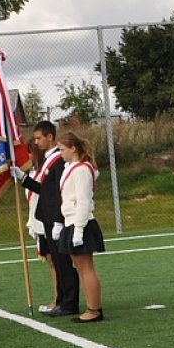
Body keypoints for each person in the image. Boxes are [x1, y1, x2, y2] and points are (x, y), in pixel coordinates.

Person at [12, 121, 80, 317]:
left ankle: (69, 303)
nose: (36, 142)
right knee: (57, 262)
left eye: (39, 138)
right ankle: (62, 300)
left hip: (56, 217)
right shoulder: (47, 160)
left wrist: (58, 219)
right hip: (47, 217)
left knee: (64, 262)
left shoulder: (58, 160)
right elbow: (45, 190)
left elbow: (59, 193)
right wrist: (23, 179)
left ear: (50, 137)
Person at [55, 132, 106, 323]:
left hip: (81, 222)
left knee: (86, 267)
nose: (60, 153)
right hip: (71, 221)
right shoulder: (71, 167)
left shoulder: (81, 170)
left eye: (62, 149)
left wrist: (78, 230)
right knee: (79, 267)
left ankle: (94, 309)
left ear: (73, 148)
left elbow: (83, 202)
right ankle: (90, 307)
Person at [26, 139, 58, 314]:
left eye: (30, 152)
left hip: (48, 221)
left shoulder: (45, 170)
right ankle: (57, 297)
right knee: (51, 262)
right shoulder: (33, 171)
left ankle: (59, 298)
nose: (28, 156)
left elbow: (42, 190)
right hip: (38, 222)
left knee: (55, 261)